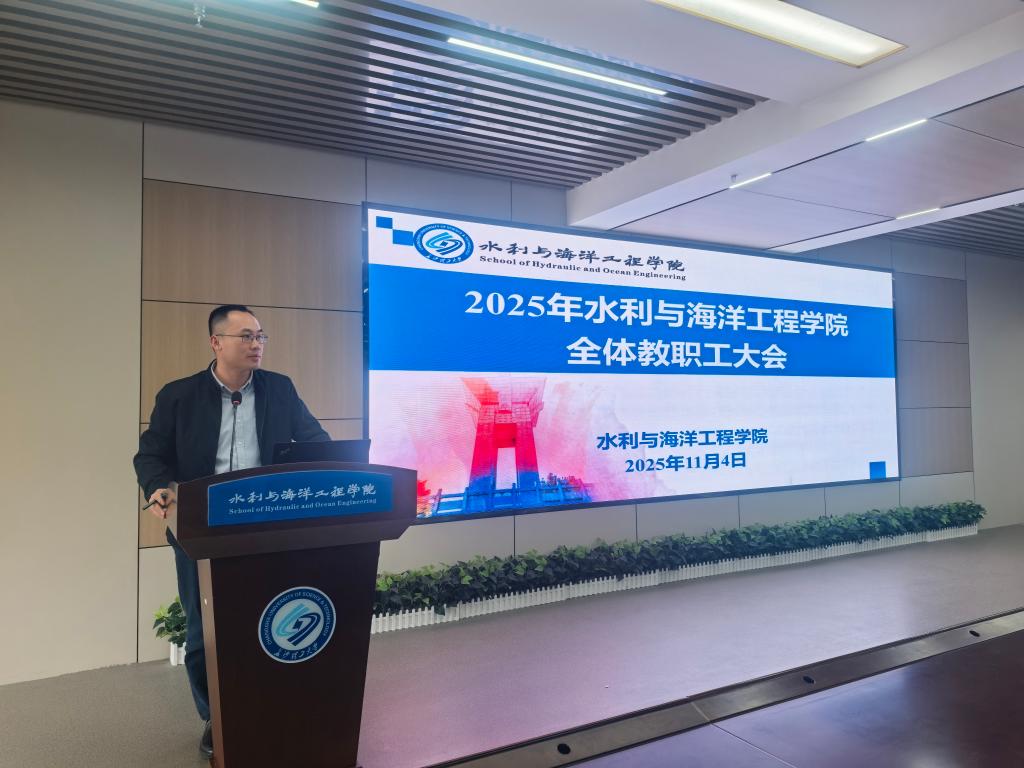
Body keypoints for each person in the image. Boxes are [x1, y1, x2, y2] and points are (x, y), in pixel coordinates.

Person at [133, 304, 329, 759]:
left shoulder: (279, 389)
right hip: (200, 526)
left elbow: (316, 442)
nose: (256, 344)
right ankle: (215, 716)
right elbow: (150, 455)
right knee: (204, 629)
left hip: (267, 525)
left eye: (260, 336)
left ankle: (265, 704)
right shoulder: (179, 395)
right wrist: (158, 487)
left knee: (269, 619)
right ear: (216, 342)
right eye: (246, 336)